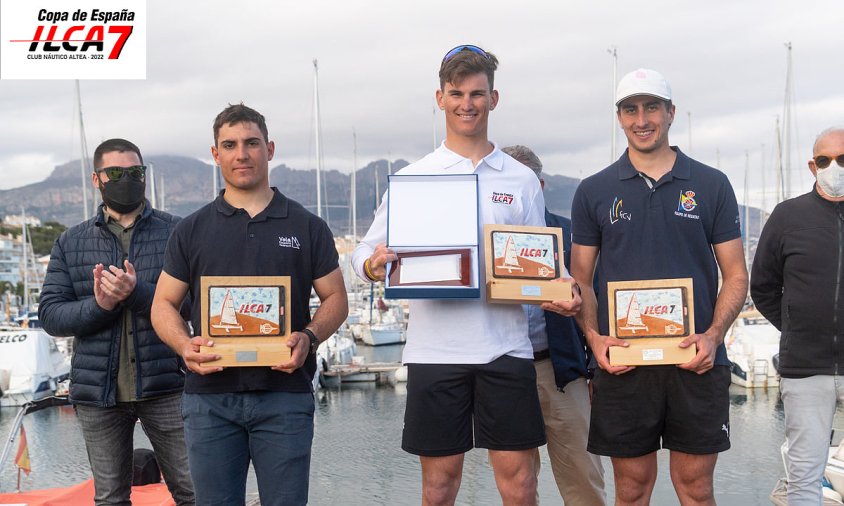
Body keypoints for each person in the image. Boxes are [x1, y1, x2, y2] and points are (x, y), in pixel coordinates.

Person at [351, 45, 581, 506]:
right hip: (435, 352)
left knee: (519, 485)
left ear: (494, 99)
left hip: (506, 349)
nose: (467, 103)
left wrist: (563, 289)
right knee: (439, 487)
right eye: (456, 93)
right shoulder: (414, 177)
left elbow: (543, 263)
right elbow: (361, 254)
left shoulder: (519, 179)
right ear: (440, 99)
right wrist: (373, 265)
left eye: (478, 93)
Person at [151, 103, 348, 506]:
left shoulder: (307, 226)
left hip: (285, 395)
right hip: (209, 399)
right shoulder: (191, 229)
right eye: (230, 145)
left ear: (269, 149)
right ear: (216, 154)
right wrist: (184, 345)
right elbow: (163, 305)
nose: (242, 154)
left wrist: (309, 336)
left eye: (252, 143)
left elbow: (337, 299)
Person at [570, 68, 748, 505]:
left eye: (651, 107)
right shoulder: (594, 190)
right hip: (624, 365)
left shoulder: (711, 184)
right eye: (630, 109)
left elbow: (737, 275)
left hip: (697, 362)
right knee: (631, 490)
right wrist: (594, 339)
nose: (641, 118)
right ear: (619, 118)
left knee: (696, 489)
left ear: (671, 113)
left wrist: (713, 337)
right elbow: (580, 281)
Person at [39, 138, 194, 506]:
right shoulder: (69, 242)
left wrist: (138, 293)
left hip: (169, 386)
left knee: (195, 490)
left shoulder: (178, 232)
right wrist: (101, 304)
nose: (128, 178)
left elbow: (195, 306)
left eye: (136, 171)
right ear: (97, 179)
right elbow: (51, 315)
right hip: (98, 395)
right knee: (109, 499)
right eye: (117, 172)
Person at [501, 144, 606, 505]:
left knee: (583, 477)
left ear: (539, 187)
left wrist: (594, 370)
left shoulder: (571, 236)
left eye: (518, 183)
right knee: (517, 484)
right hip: (505, 371)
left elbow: (597, 302)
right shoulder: (486, 243)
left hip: (562, 370)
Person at [751, 127, 844, 504]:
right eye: (825, 160)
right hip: (806, 368)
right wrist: (796, 328)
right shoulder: (788, 216)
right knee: (804, 478)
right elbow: (763, 288)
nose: (834, 167)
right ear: (812, 166)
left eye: (842, 159)